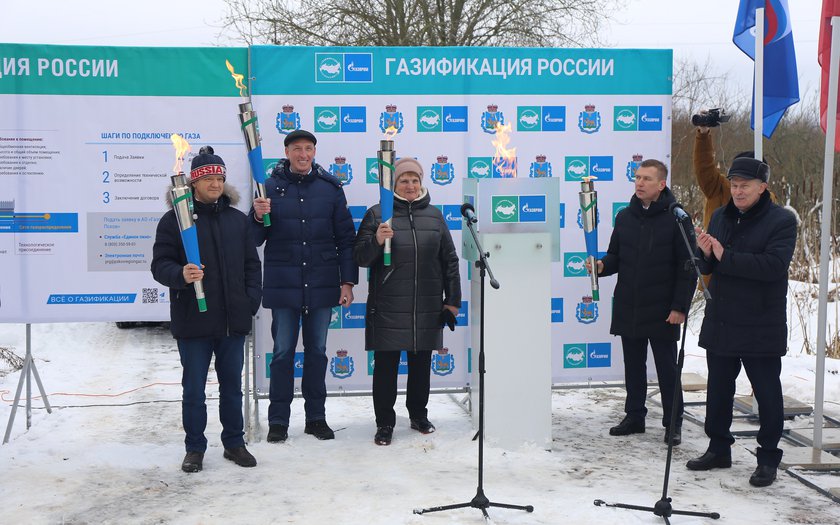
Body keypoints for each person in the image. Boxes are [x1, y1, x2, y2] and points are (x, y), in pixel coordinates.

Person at [686, 157, 797, 488]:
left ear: (762, 188)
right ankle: (719, 448)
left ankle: (767, 458)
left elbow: (772, 267)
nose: (737, 191)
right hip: (721, 319)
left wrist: (724, 256)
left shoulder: (782, 221)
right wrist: (704, 251)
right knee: (718, 390)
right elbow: (710, 267)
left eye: (744, 186)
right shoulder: (720, 215)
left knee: (766, 393)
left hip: (760, 323)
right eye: (733, 185)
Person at [151, 146, 262, 473]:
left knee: (232, 387)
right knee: (194, 390)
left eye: (219, 177)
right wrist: (181, 275)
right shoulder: (174, 221)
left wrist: (249, 301)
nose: (215, 183)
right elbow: (160, 265)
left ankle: (234, 443)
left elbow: (252, 267)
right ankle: (195, 447)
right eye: (208, 178)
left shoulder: (237, 220)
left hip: (231, 320)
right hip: (193, 319)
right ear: (194, 183)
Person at [250, 129, 358, 443]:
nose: (303, 154)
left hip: (323, 285)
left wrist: (347, 282)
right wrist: (257, 217)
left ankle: (316, 418)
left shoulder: (331, 188)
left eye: (308, 149)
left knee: (317, 353)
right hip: (284, 285)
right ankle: (278, 422)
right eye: (297, 148)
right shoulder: (268, 188)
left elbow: (345, 239)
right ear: (286, 152)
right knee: (283, 354)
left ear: (314, 152)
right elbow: (254, 239)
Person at [353, 157, 461, 446]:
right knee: (386, 368)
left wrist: (452, 301)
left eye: (415, 180)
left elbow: (449, 261)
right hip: (387, 305)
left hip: (426, 305)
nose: (410, 185)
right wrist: (376, 239)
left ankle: (418, 415)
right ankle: (385, 423)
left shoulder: (435, 217)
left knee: (420, 365)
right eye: (404, 180)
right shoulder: (377, 214)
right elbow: (360, 258)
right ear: (394, 184)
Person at [588, 159, 696, 446]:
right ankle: (634, 416)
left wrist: (679, 307)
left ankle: (673, 422)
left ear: (661, 184)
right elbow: (615, 257)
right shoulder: (625, 216)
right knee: (633, 365)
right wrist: (601, 265)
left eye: (647, 179)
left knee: (666, 369)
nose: (639, 183)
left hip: (663, 308)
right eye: (637, 177)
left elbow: (688, 266)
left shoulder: (678, 218)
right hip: (629, 304)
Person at [692, 119, 776, 288]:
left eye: (745, 183)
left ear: (761, 184)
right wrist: (703, 133)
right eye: (735, 182)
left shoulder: (773, 207)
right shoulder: (719, 188)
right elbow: (705, 168)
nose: (738, 191)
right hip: (718, 283)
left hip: (753, 287)